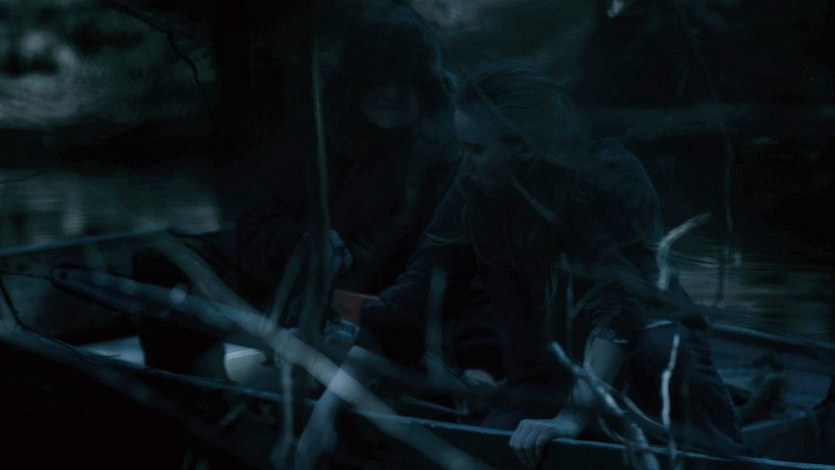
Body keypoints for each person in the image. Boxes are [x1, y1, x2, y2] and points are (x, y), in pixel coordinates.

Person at [294, 60, 748, 469]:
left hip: (646, 372)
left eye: (476, 150)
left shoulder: (609, 174)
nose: (466, 164)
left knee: (658, 343)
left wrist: (571, 417)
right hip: (541, 381)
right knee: (487, 450)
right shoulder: (473, 193)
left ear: (525, 148)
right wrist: (323, 415)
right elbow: (411, 302)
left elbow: (622, 301)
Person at [131, 11, 503, 386]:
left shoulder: (452, 155)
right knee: (160, 260)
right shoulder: (328, 134)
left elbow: (474, 267)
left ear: (426, 86)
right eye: (377, 79)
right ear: (356, 82)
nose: (390, 92)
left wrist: (481, 360)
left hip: (384, 306)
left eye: (404, 81)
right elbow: (260, 221)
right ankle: (185, 393)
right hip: (308, 283)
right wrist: (304, 243)